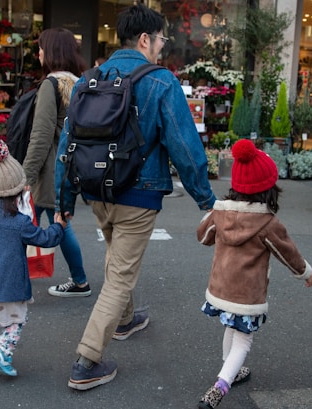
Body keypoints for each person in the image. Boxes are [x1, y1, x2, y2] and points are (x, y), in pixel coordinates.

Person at [54, 3, 216, 390]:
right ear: (145, 39)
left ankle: (125, 320)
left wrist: (64, 200)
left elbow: (68, 143)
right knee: (120, 276)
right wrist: (207, 201)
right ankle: (87, 360)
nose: (162, 46)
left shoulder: (88, 79)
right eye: (160, 39)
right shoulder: (161, 81)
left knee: (116, 259)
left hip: (96, 191)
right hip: (138, 195)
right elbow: (185, 147)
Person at [196, 139, 312, 409]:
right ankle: (219, 387)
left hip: (220, 289)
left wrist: (214, 211)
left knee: (230, 327)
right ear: (270, 189)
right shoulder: (267, 222)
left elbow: (202, 237)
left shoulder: (221, 214)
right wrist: (307, 273)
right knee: (243, 341)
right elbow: (290, 255)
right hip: (247, 295)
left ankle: (231, 371)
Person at [0, 138, 67, 380]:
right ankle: (2, 352)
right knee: (15, 321)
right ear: (17, 189)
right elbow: (45, 239)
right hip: (10, 285)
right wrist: (59, 226)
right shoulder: (20, 223)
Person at [22, 27, 91, 297]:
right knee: (51, 221)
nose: (38, 52)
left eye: (41, 47)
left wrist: (25, 176)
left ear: (50, 52)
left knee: (34, 223)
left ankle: (79, 280)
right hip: (69, 166)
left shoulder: (51, 85)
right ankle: (78, 280)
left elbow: (41, 136)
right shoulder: (79, 83)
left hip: (49, 168)